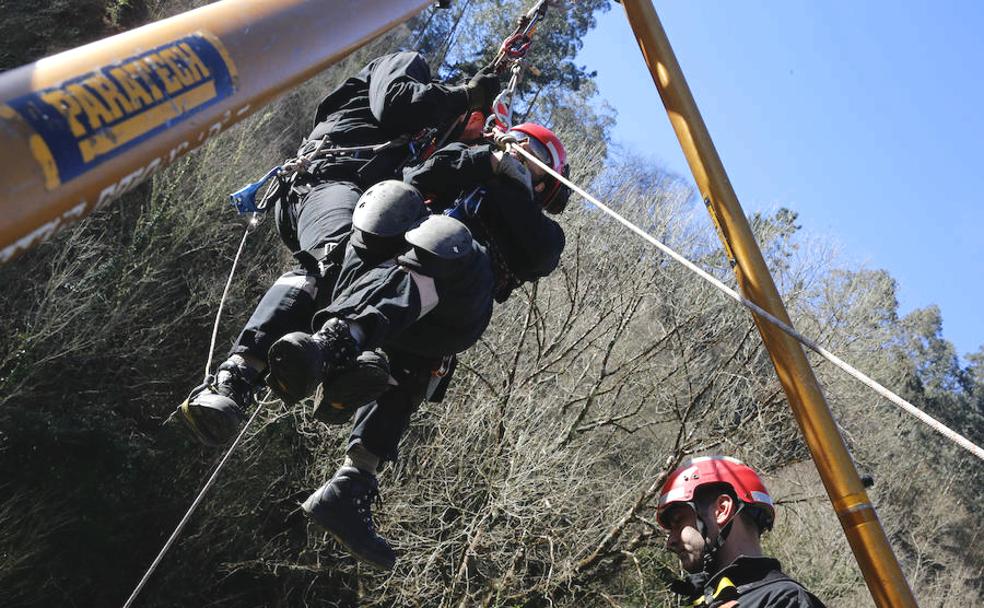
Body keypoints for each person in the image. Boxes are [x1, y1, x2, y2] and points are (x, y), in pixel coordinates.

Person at [264, 123, 571, 570]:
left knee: (446, 244)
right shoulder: (466, 168)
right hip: (383, 284)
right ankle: (346, 471)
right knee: (392, 206)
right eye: (514, 147)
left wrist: (514, 185)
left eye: (530, 155)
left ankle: (340, 351)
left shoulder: (542, 231)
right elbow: (417, 178)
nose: (517, 154)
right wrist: (481, 159)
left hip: (454, 309)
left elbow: (540, 255)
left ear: (543, 181)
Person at [175, 51, 500, 447]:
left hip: (357, 200)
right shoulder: (405, 64)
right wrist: (466, 96)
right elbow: (397, 103)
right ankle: (234, 377)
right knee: (337, 253)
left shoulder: (424, 148)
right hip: (324, 179)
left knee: (383, 274)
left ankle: (338, 357)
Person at [657, 456, 826, 607]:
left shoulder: (785, 600)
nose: (669, 542)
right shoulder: (708, 601)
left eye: (678, 522)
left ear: (721, 510)